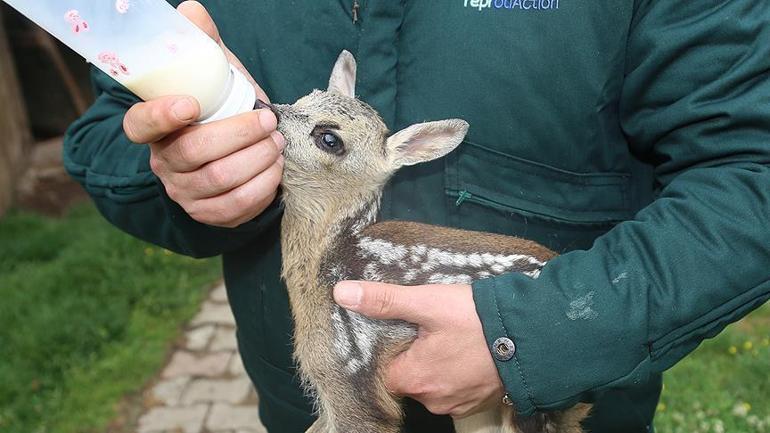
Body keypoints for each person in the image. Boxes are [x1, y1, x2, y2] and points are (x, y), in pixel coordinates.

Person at [64, 1, 770, 432]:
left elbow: (749, 165)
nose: (273, 123)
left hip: (557, 401)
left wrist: (530, 333)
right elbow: (106, 129)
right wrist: (175, 168)